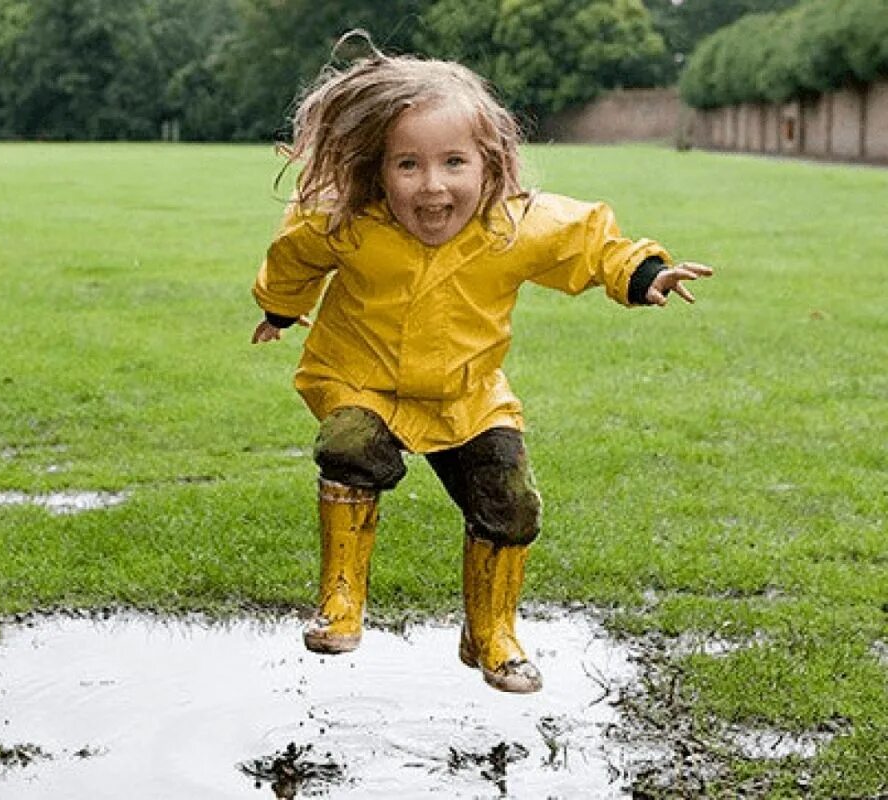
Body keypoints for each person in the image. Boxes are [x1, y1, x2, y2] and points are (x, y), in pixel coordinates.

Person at [249, 34, 712, 694]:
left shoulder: (513, 226)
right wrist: (280, 307)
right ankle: (341, 598)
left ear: (489, 164)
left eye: (454, 162)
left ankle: (491, 631)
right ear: (377, 169)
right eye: (407, 164)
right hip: (360, 378)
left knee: (511, 504)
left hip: (467, 394)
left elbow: (586, 243)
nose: (433, 184)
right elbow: (293, 257)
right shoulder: (346, 220)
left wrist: (644, 273)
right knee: (351, 443)